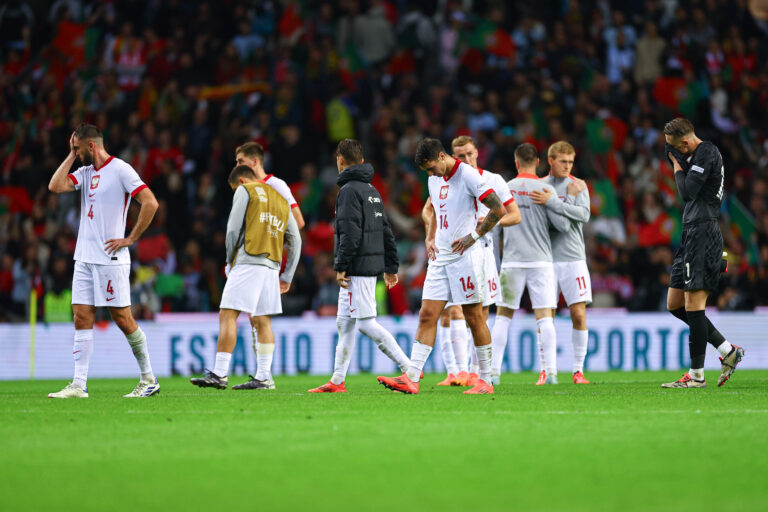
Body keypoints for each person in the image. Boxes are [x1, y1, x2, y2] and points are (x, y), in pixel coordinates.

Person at [377, 138, 507, 395]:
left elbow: (499, 208)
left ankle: (485, 381)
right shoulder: (434, 179)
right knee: (427, 314)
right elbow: (436, 210)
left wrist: (475, 235)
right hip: (441, 258)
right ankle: (411, 377)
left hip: (465, 257)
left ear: (441, 156)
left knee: (474, 317)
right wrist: (430, 236)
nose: (430, 174)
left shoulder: (468, 176)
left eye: (431, 168)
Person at [47, 124, 160, 398]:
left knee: (122, 318)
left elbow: (150, 203)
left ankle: (148, 379)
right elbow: (55, 186)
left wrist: (131, 238)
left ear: (91, 146)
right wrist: (71, 155)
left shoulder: (121, 169)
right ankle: (79, 384)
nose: (75, 153)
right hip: (84, 258)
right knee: (81, 316)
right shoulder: (84, 172)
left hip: (111, 258)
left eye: (77, 149)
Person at [308, 139, 410, 392]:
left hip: (357, 267)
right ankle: (337, 381)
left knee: (365, 323)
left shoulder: (347, 191)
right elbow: (386, 230)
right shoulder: (371, 191)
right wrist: (391, 266)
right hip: (367, 264)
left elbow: (350, 233)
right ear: (362, 161)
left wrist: (340, 264)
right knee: (345, 323)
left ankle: (410, 370)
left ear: (340, 159)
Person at [190, 165, 301, 390]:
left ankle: (220, 373)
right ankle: (264, 377)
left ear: (241, 180)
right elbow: (296, 240)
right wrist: (287, 275)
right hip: (272, 267)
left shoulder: (245, 190)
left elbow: (232, 229)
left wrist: (229, 261)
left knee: (227, 314)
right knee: (262, 321)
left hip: (248, 260)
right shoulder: (280, 199)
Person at [424, 135, 519, 387]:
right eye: (460, 155)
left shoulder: (492, 180)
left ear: (477, 152)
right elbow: (431, 209)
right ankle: (458, 372)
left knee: (478, 314)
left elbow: (514, 215)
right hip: (456, 251)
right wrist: (431, 236)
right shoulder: (445, 177)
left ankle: (477, 373)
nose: (466, 159)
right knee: (452, 310)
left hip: (483, 251)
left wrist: (487, 225)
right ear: (450, 156)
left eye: (469, 153)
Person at [662, 118, 744, 388]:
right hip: (690, 232)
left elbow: (687, 192)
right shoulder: (695, 156)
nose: (672, 153)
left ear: (685, 143)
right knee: (675, 304)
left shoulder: (707, 152)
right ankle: (727, 351)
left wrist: (677, 167)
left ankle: (696, 376)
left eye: (674, 148)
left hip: (703, 232)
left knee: (694, 306)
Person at [491, 143, 570, 385]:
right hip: (541, 261)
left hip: (512, 261)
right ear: (537, 162)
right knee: (544, 317)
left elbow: (494, 229)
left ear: (516, 163)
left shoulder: (505, 189)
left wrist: (495, 264)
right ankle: (551, 373)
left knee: (503, 317)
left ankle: (493, 373)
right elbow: (563, 226)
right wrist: (551, 203)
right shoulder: (545, 189)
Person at [235, 141, 305, 386]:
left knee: (260, 317)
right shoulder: (246, 188)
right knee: (254, 318)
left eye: (241, 161)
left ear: (255, 161)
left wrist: (271, 239)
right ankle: (263, 375)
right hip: (249, 260)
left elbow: (298, 221)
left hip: (266, 260)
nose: (237, 165)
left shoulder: (276, 185)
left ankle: (264, 376)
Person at [530, 141, 592, 384]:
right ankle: (545, 369)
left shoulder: (578, 185)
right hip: (546, 259)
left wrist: (554, 203)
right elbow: (542, 222)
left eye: (571, 162)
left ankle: (578, 370)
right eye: (563, 161)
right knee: (547, 316)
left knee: (578, 313)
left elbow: (583, 216)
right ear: (551, 160)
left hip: (574, 258)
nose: (567, 166)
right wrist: (565, 206)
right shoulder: (539, 186)